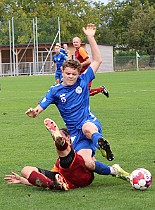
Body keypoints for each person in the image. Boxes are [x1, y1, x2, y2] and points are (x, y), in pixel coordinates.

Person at [26, 23, 115, 176]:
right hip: (75, 133)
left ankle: (101, 143)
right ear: (62, 71)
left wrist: (90, 37)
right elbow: (41, 105)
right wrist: (35, 112)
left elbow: (97, 60)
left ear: (78, 73)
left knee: (87, 128)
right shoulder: (55, 91)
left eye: (74, 74)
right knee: (87, 163)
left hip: (89, 122)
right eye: (68, 73)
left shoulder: (83, 79)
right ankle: (115, 171)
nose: (71, 77)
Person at [4, 118, 130, 191]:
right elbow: (41, 179)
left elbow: (92, 163)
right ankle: (54, 185)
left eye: (62, 137)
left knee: (67, 155)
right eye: (60, 137)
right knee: (25, 170)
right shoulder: (59, 163)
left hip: (81, 175)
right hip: (66, 181)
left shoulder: (80, 149)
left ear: (69, 137)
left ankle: (59, 143)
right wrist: (23, 180)